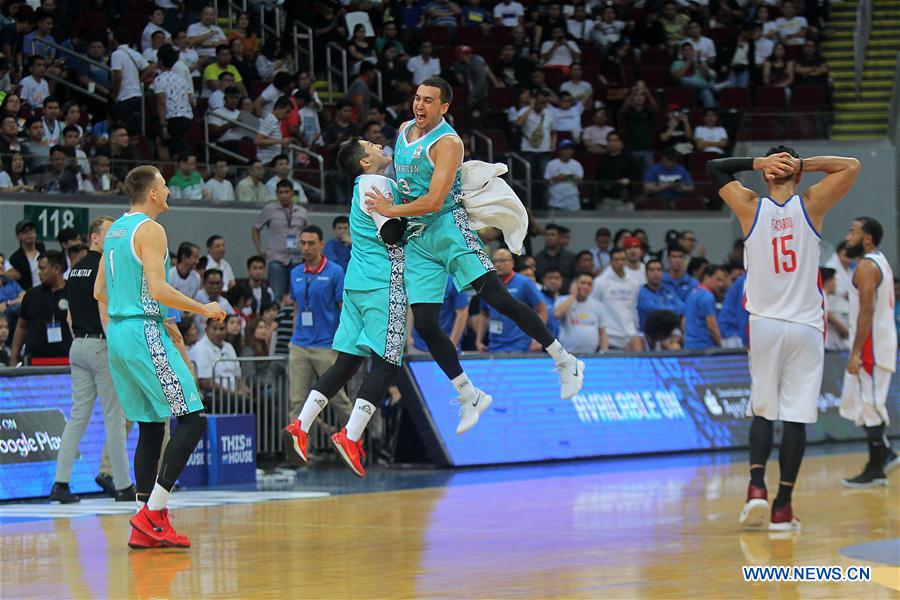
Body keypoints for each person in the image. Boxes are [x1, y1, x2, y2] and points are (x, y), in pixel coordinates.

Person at [365, 78, 584, 427]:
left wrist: (390, 210)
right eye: (417, 98)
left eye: (428, 101)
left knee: (499, 298)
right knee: (425, 323)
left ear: (444, 107)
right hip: (417, 239)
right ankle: (469, 394)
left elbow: (434, 201)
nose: (420, 105)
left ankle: (564, 359)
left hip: (448, 229)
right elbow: (404, 184)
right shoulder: (404, 130)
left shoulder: (448, 142)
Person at [709, 146, 860, 530]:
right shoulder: (811, 204)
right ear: (798, 175)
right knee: (796, 416)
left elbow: (714, 167)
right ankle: (782, 507)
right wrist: (803, 164)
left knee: (763, 407)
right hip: (806, 325)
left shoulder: (748, 206)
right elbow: (850, 166)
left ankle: (756, 488)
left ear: (766, 174)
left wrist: (756, 163)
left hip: (764, 324)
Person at [95, 165, 226, 549]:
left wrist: (129, 314)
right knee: (192, 417)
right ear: (152, 193)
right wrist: (202, 308)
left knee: (151, 425)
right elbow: (158, 288)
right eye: (164, 186)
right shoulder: (150, 229)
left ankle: (145, 520)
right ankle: (153, 512)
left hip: (119, 333)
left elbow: (100, 291)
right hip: (143, 331)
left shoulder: (115, 231)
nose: (168, 191)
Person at [283, 139, 410, 475]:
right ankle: (351, 435)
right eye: (371, 145)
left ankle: (300, 425)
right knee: (387, 364)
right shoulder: (378, 183)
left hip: (357, 282)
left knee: (347, 363)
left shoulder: (360, 186)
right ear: (365, 162)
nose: (379, 144)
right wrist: (413, 215)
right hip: (382, 283)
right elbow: (392, 233)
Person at [50, 216, 134, 504]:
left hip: (78, 345)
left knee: (78, 417)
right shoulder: (106, 266)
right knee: (115, 417)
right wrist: (118, 349)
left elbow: (69, 316)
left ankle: (61, 483)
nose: (114, 237)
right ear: (94, 237)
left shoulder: (74, 270)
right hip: (101, 344)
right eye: (109, 232)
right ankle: (123, 485)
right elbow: (104, 311)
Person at [839, 217, 899, 486]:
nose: (848, 237)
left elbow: (867, 311)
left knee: (870, 405)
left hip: (871, 346)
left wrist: (855, 353)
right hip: (878, 342)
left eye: (853, 232)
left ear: (867, 239)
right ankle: (884, 454)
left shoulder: (865, 266)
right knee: (861, 404)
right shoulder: (880, 260)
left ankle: (877, 467)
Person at [476, 248, 547, 354]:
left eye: (503, 261)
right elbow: (484, 314)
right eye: (495, 261)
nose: (498, 264)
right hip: (494, 347)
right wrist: (478, 340)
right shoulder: (487, 285)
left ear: (512, 263)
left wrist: (537, 339)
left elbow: (542, 309)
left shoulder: (524, 283)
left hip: (520, 346)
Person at [8, 250, 70, 365]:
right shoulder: (31, 295)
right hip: (35, 361)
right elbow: (21, 327)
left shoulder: (73, 293)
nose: (39, 273)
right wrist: (13, 358)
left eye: (42, 269)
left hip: (66, 360)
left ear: (56, 269)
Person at [252, 180, 309, 300]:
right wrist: (260, 249)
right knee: (276, 295)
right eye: (281, 192)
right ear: (277, 194)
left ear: (292, 193)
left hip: (297, 258)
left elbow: (308, 233)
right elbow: (256, 228)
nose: (284, 195)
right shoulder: (269, 210)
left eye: (287, 192)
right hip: (276, 259)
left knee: (299, 295)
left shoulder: (302, 211)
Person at [591, 247, 641, 351]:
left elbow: (634, 309)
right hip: (609, 336)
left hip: (630, 334)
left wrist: (635, 330)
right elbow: (593, 307)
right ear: (611, 261)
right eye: (617, 260)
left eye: (623, 259)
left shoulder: (634, 282)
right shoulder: (600, 282)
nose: (620, 262)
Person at [189, 317, 244, 396]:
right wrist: (232, 394)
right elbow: (205, 383)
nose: (218, 332)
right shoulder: (200, 348)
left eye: (221, 329)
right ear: (206, 329)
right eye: (214, 329)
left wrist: (242, 390)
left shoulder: (229, 347)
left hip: (234, 395)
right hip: (213, 396)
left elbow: (238, 375)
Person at [555, 273, 607, 353]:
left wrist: (604, 352)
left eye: (589, 284)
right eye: (582, 283)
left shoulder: (598, 305)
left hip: (591, 354)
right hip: (566, 353)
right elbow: (557, 314)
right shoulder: (562, 300)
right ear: (575, 284)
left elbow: (602, 333)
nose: (585, 286)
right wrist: (573, 296)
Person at [683, 264, 727, 350]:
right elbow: (712, 327)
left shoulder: (692, 293)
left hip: (688, 347)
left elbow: (684, 323)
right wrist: (722, 347)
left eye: (722, 281)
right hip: (705, 348)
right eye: (718, 280)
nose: (721, 284)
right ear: (707, 277)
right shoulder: (708, 296)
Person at [637, 258, 684, 330]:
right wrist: (674, 309)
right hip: (647, 334)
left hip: (668, 332)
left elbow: (682, 308)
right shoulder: (641, 293)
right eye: (652, 270)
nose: (655, 273)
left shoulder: (668, 290)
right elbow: (658, 312)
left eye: (659, 270)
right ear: (646, 274)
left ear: (663, 273)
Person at [544, 139, 583, 211]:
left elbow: (580, 182)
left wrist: (570, 176)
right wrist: (559, 178)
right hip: (555, 202)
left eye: (570, 149)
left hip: (572, 202)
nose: (568, 152)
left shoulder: (577, 164)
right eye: (565, 149)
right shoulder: (552, 164)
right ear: (560, 151)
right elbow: (546, 181)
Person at [194, 268, 235, 335]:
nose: (215, 287)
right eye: (212, 283)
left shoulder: (224, 303)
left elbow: (234, 319)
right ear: (204, 283)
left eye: (218, 283)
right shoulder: (195, 298)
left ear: (222, 284)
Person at [6, 220, 44, 290]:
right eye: (25, 232)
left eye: (31, 231)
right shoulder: (16, 258)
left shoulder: (42, 250)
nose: (29, 234)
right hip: (28, 292)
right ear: (18, 237)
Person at [718, 271, 749, 348]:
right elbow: (743, 315)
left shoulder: (747, 279)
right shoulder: (745, 281)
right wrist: (746, 342)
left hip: (734, 332)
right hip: (732, 333)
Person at [821, 267, 849, 350]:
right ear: (828, 282)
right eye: (834, 280)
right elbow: (832, 319)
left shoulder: (824, 296)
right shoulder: (822, 297)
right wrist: (849, 333)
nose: (836, 284)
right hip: (827, 346)